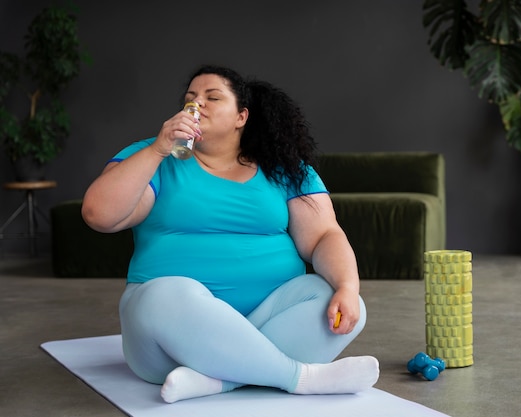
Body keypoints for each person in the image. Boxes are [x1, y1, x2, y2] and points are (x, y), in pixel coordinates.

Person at [81, 65, 379, 403]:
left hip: (266, 320)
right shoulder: (155, 156)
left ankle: (216, 380)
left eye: (212, 97)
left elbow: (325, 235)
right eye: (190, 98)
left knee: (343, 302)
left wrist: (347, 286)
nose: (198, 103)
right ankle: (299, 377)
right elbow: (99, 215)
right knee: (165, 292)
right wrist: (158, 150)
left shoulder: (285, 169)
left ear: (241, 116)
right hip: (164, 338)